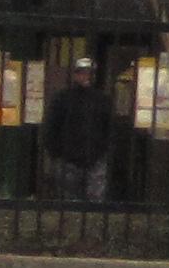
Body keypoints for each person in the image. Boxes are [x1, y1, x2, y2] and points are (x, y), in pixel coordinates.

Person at [40, 58, 116, 204]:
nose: (86, 77)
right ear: (75, 75)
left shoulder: (102, 100)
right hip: (68, 159)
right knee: (69, 202)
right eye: (82, 73)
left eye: (90, 73)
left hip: (95, 158)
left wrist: (105, 151)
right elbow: (51, 127)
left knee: (94, 201)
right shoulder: (62, 98)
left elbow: (109, 128)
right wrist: (56, 153)